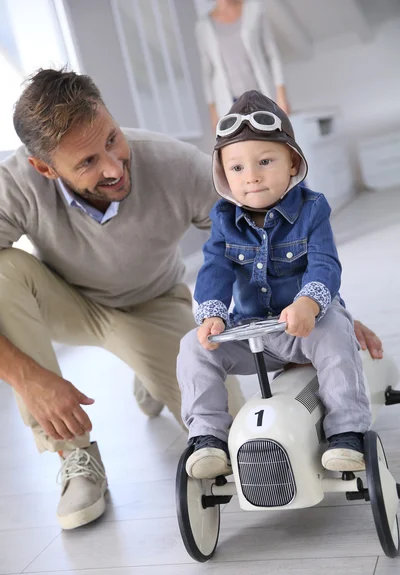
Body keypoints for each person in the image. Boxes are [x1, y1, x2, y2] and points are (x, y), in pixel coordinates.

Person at [0, 69, 381, 531]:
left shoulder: (179, 166)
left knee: (238, 426)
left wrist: (329, 308)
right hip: (63, 303)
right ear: (44, 167)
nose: (115, 168)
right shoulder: (15, 182)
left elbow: (279, 237)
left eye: (113, 140)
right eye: (86, 163)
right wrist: (27, 377)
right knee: (5, 273)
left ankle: (148, 369)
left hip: (151, 302)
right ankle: (73, 454)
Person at [178, 90, 373, 481]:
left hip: (305, 327)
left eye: (265, 162)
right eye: (236, 168)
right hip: (254, 333)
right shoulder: (223, 218)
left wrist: (309, 303)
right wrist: (213, 314)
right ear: (223, 175)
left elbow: (324, 264)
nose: (251, 176)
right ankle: (208, 438)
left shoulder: (312, 208)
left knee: (335, 329)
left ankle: (347, 432)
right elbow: (214, 267)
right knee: (193, 347)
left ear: (292, 163)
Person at [195, 0, 290, 133]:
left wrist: (281, 96)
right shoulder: (203, 26)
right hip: (230, 104)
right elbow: (207, 72)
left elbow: (272, 55)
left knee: (273, 141)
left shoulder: (254, 9)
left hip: (262, 97)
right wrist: (213, 112)